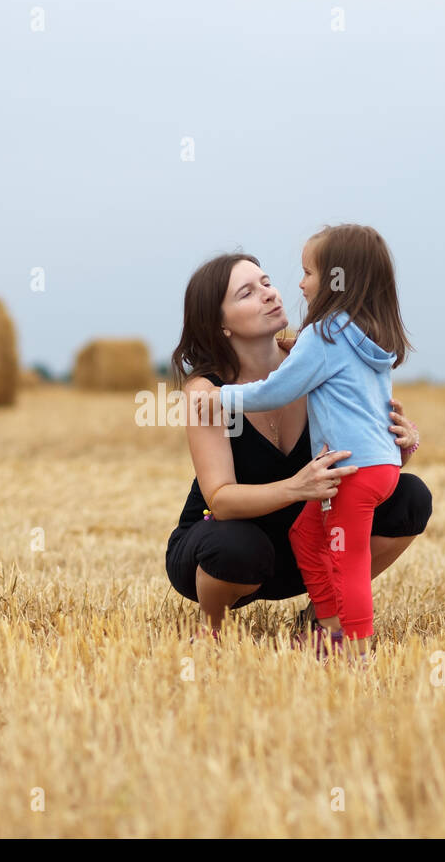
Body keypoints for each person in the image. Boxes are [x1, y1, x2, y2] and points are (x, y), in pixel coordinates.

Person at [166, 247, 430, 654]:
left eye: (267, 282)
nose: (270, 294)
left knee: (410, 497)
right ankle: (213, 629)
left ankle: (322, 618)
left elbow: (359, 460)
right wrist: (296, 487)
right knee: (234, 547)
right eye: (247, 293)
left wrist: (397, 445)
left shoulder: (319, 353)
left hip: (313, 541)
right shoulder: (208, 393)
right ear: (219, 325)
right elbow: (221, 501)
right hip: (231, 544)